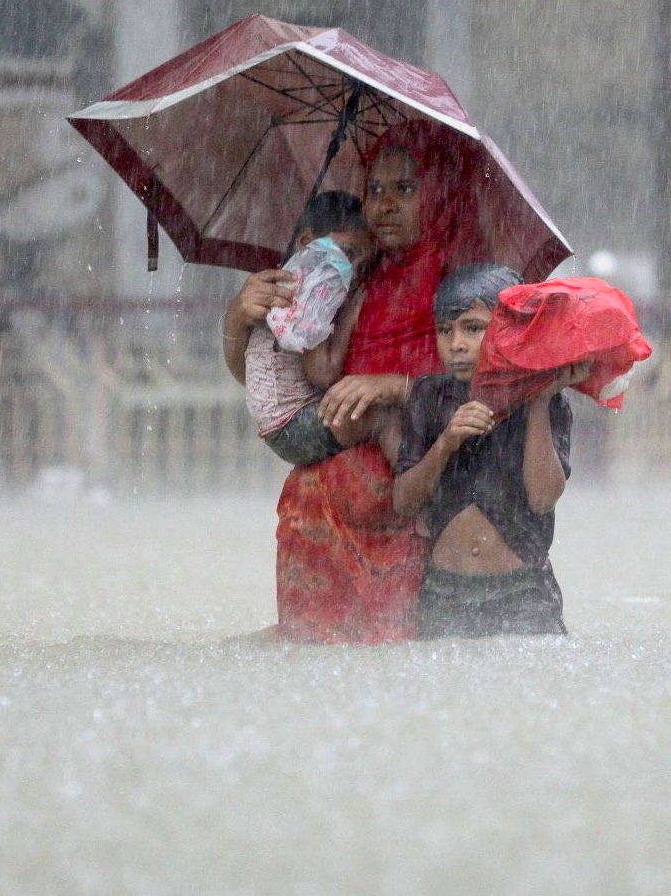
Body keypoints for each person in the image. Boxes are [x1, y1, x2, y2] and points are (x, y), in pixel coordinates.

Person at [222, 121, 492, 643]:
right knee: (315, 679)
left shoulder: (460, 282)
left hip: (412, 516)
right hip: (318, 515)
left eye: (406, 190)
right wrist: (238, 319)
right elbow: (267, 381)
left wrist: (396, 386)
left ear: (437, 195)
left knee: (405, 673)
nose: (386, 204)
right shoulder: (344, 274)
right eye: (375, 190)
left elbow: (488, 388)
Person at [391, 263, 590, 637]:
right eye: (444, 331)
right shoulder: (429, 397)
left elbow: (543, 497)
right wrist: (447, 442)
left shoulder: (549, 400)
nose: (456, 345)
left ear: (509, 331)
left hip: (523, 594)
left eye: (473, 328)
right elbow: (403, 501)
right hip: (444, 592)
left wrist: (539, 401)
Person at [244, 190, 400, 465]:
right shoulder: (311, 291)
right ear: (307, 242)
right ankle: (412, 490)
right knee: (387, 419)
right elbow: (323, 373)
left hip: (278, 423)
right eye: (349, 253)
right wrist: (351, 315)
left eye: (364, 263)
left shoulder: (291, 278)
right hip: (293, 425)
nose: (353, 269)